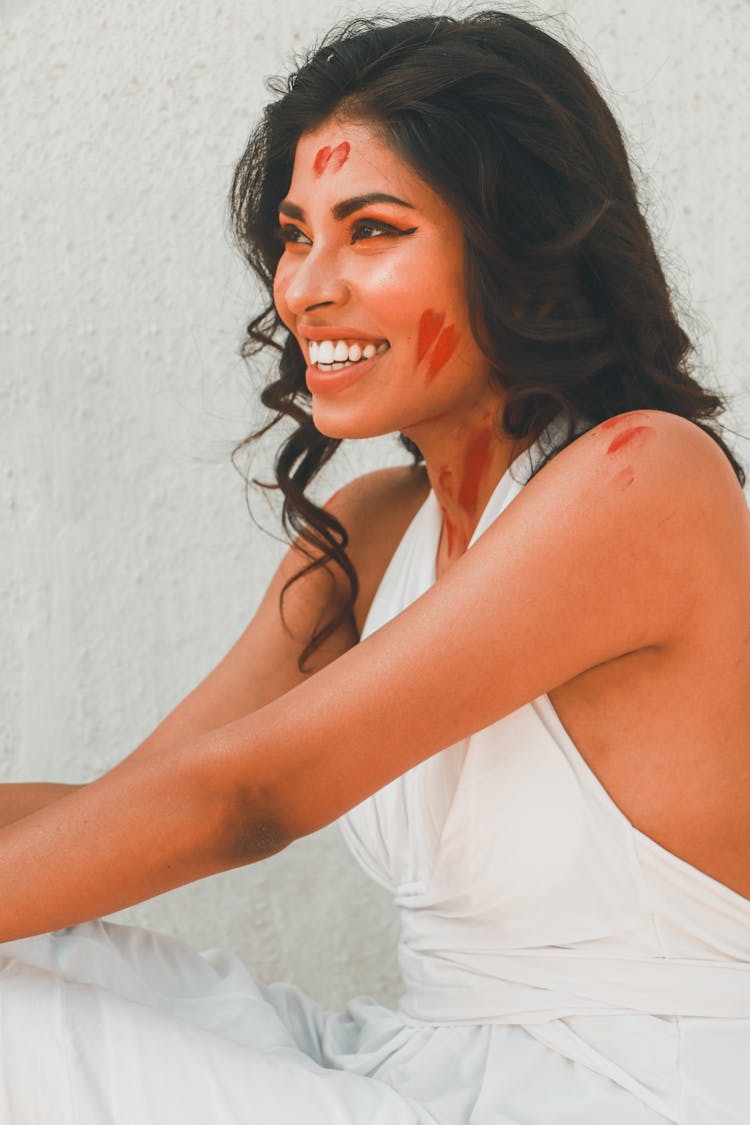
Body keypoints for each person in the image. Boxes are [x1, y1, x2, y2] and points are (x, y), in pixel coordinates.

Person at [1, 9, 748, 1124]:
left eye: (375, 230)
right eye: (297, 235)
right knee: (44, 951)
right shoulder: (373, 526)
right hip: (418, 1064)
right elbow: (137, 804)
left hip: (621, 1091)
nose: (305, 289)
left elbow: (242, 801)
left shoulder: (646, 479)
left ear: (523, 247)